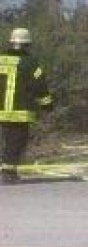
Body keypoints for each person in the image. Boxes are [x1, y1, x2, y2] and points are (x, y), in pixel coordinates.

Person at [0, 27, 54, 184]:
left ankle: (7, 171)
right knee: (16, 141)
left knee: (5, 140)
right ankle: (8, 173)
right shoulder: (31, 63)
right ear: (27, 44)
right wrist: (47, 105)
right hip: (19, 111)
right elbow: (40, 86)